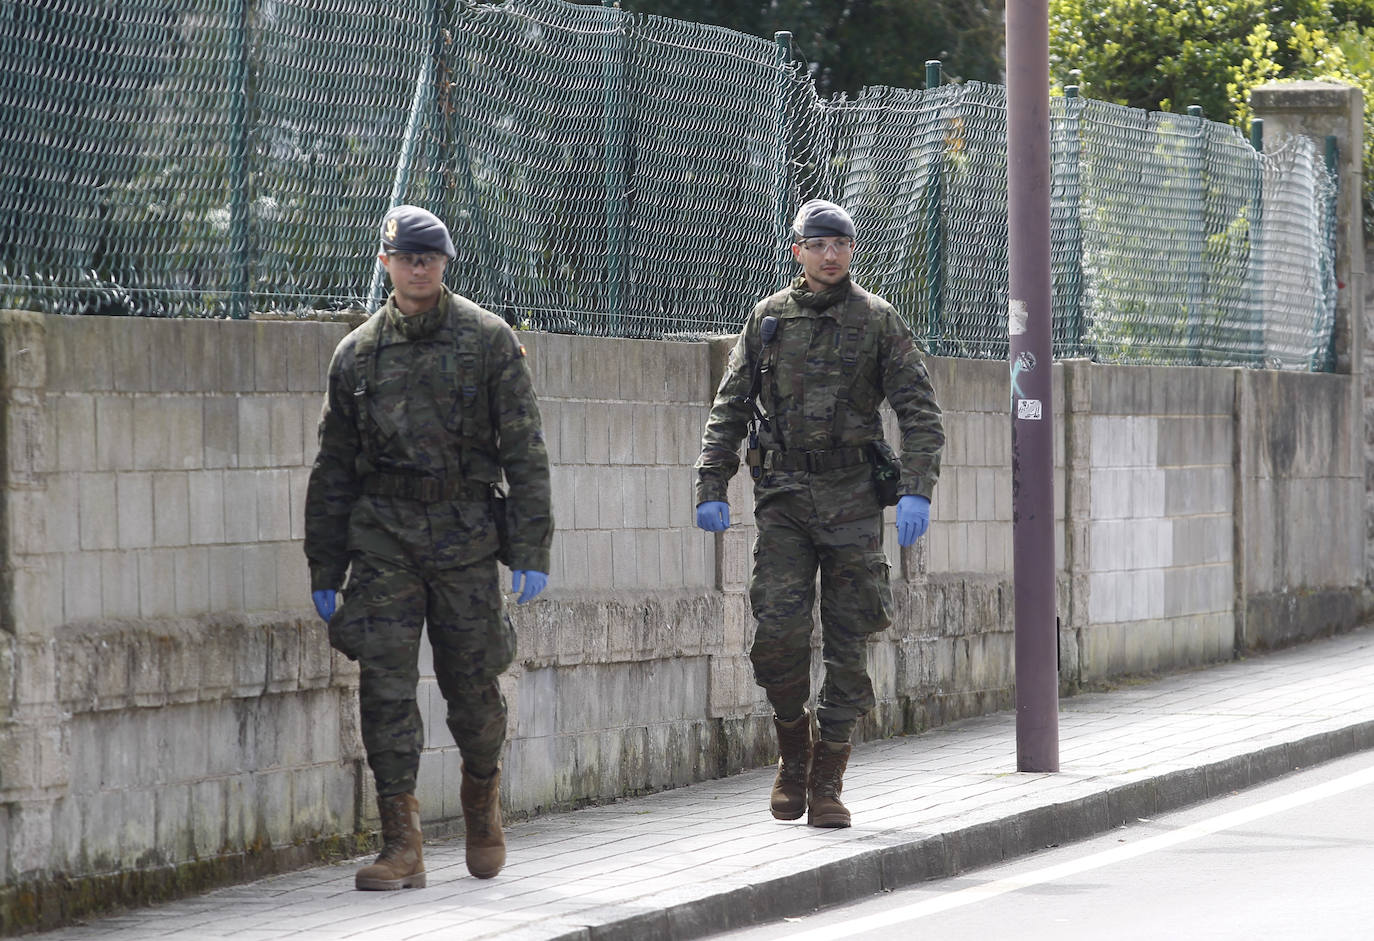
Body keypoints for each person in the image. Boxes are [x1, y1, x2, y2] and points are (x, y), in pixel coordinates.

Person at [305, 205, 553, 889]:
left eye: (429, 257)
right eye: (406, 257)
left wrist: (531, 547)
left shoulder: (488, 340)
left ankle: (481, 796)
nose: (418, 268)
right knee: (383, 686)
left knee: (473, 690)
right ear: (385, 263)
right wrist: (325, 564)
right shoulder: (356, 354)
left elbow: (525, 454)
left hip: (465, 538)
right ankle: (401, 843)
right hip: (383, 537)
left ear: (445, 263)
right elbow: (333, 469)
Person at [694, 199, 943, 829]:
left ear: (850, 251)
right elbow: (730, 405)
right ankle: (792, 749)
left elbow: (919, 411)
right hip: (784, 502)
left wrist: (917, 487)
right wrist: (711, 483)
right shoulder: (769, 319)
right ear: (797, 249)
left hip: (854, 501)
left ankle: (828, 780)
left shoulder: (879, 321)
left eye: (841, 244)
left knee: (849, 640)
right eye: (818, 244)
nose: (830, 255)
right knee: (776, 633)